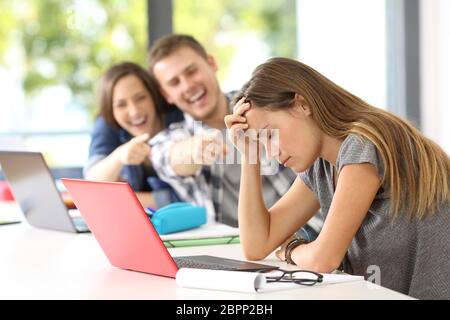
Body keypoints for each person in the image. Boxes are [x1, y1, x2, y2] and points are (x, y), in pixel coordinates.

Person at [224, 57, 450, 299]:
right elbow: (256, 245)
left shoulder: (362, 144)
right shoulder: (321, 165)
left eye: (270, 135)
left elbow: (323, 260)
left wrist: (291, 248)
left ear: (302, 104)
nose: (271, 152)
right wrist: (249, 155)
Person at [147, 34, 323, 236]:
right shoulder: (171, 138)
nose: (187, 85)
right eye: (174, 82)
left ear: (211, 63)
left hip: (311, 233)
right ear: (167, 95)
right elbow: (167, 157)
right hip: (234, 250)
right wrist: (193, 150)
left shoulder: (261, 107)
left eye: (191, 71)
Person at [84, 62, 184, 209]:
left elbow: (188, 198)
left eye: (141, 97)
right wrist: (120, 155)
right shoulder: (107, 124)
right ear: (111, 110)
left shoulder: (179, 117)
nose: (134, 111)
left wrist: (119, 197)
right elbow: (91, 186)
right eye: (121, 104)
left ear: (154, 96)